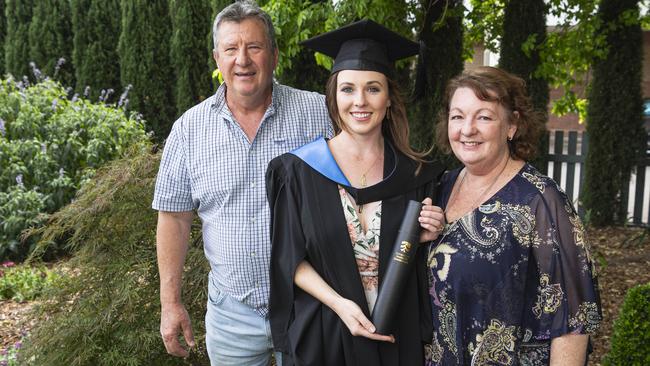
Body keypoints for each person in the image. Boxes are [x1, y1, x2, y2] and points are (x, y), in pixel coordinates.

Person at [152, 1, 332, 364]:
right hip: (232, 312)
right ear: (217, 59)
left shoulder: (317, 113)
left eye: (254, 47)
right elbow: (173, 217)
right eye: (231, 49)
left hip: (308, 307)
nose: (243, 60)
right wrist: (170, 304)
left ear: (275, 55)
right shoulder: (189, 130)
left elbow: (359, 180)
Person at [266, 19, 446, 366]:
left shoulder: (419, 177)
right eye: (347, 89)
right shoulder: (299, 170)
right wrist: (341, 305)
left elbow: (430, 272)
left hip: (393, 333)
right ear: (333, 95)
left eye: (373, 88)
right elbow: (289, 258)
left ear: (390, 98)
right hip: (324, 330)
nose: (360, 101)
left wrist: (430, 235)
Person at [426, 66, 602, 365]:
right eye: (458, 116)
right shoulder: (439, 187)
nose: (467, 129)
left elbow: (574, 318)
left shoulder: (540, 200)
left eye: (484, 116)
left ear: (512, 125)